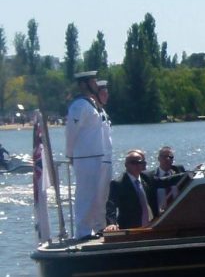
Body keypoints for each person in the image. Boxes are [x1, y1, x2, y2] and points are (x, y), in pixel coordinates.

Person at [64, 71, 112, 237]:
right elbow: (71, 132)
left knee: (94, 196)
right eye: (93, 81)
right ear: (84, 84)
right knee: (85, 195)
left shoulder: (91, 105)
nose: (96, 84)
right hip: (85, 157)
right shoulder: (80, 105)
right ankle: (83, 232)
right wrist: (70, 154)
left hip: (96, 156)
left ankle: (90, 229)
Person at [105, 149, 190, 230]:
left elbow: (165, 181)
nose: (137, 165)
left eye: (140, 162)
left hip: (151, 225)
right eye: (133, 163)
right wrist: (111, 223)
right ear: (126, 164)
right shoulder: (118, 183)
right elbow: (111, 205)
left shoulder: (146, 177)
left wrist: (188, 175)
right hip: (131, 227)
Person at [152, 145, 187, 212]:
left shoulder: (179, 172)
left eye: (170, 157)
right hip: (161, 215)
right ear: (158, 158)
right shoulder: (152, 177)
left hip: (178, 212)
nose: (168, 159)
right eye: (164, 156)